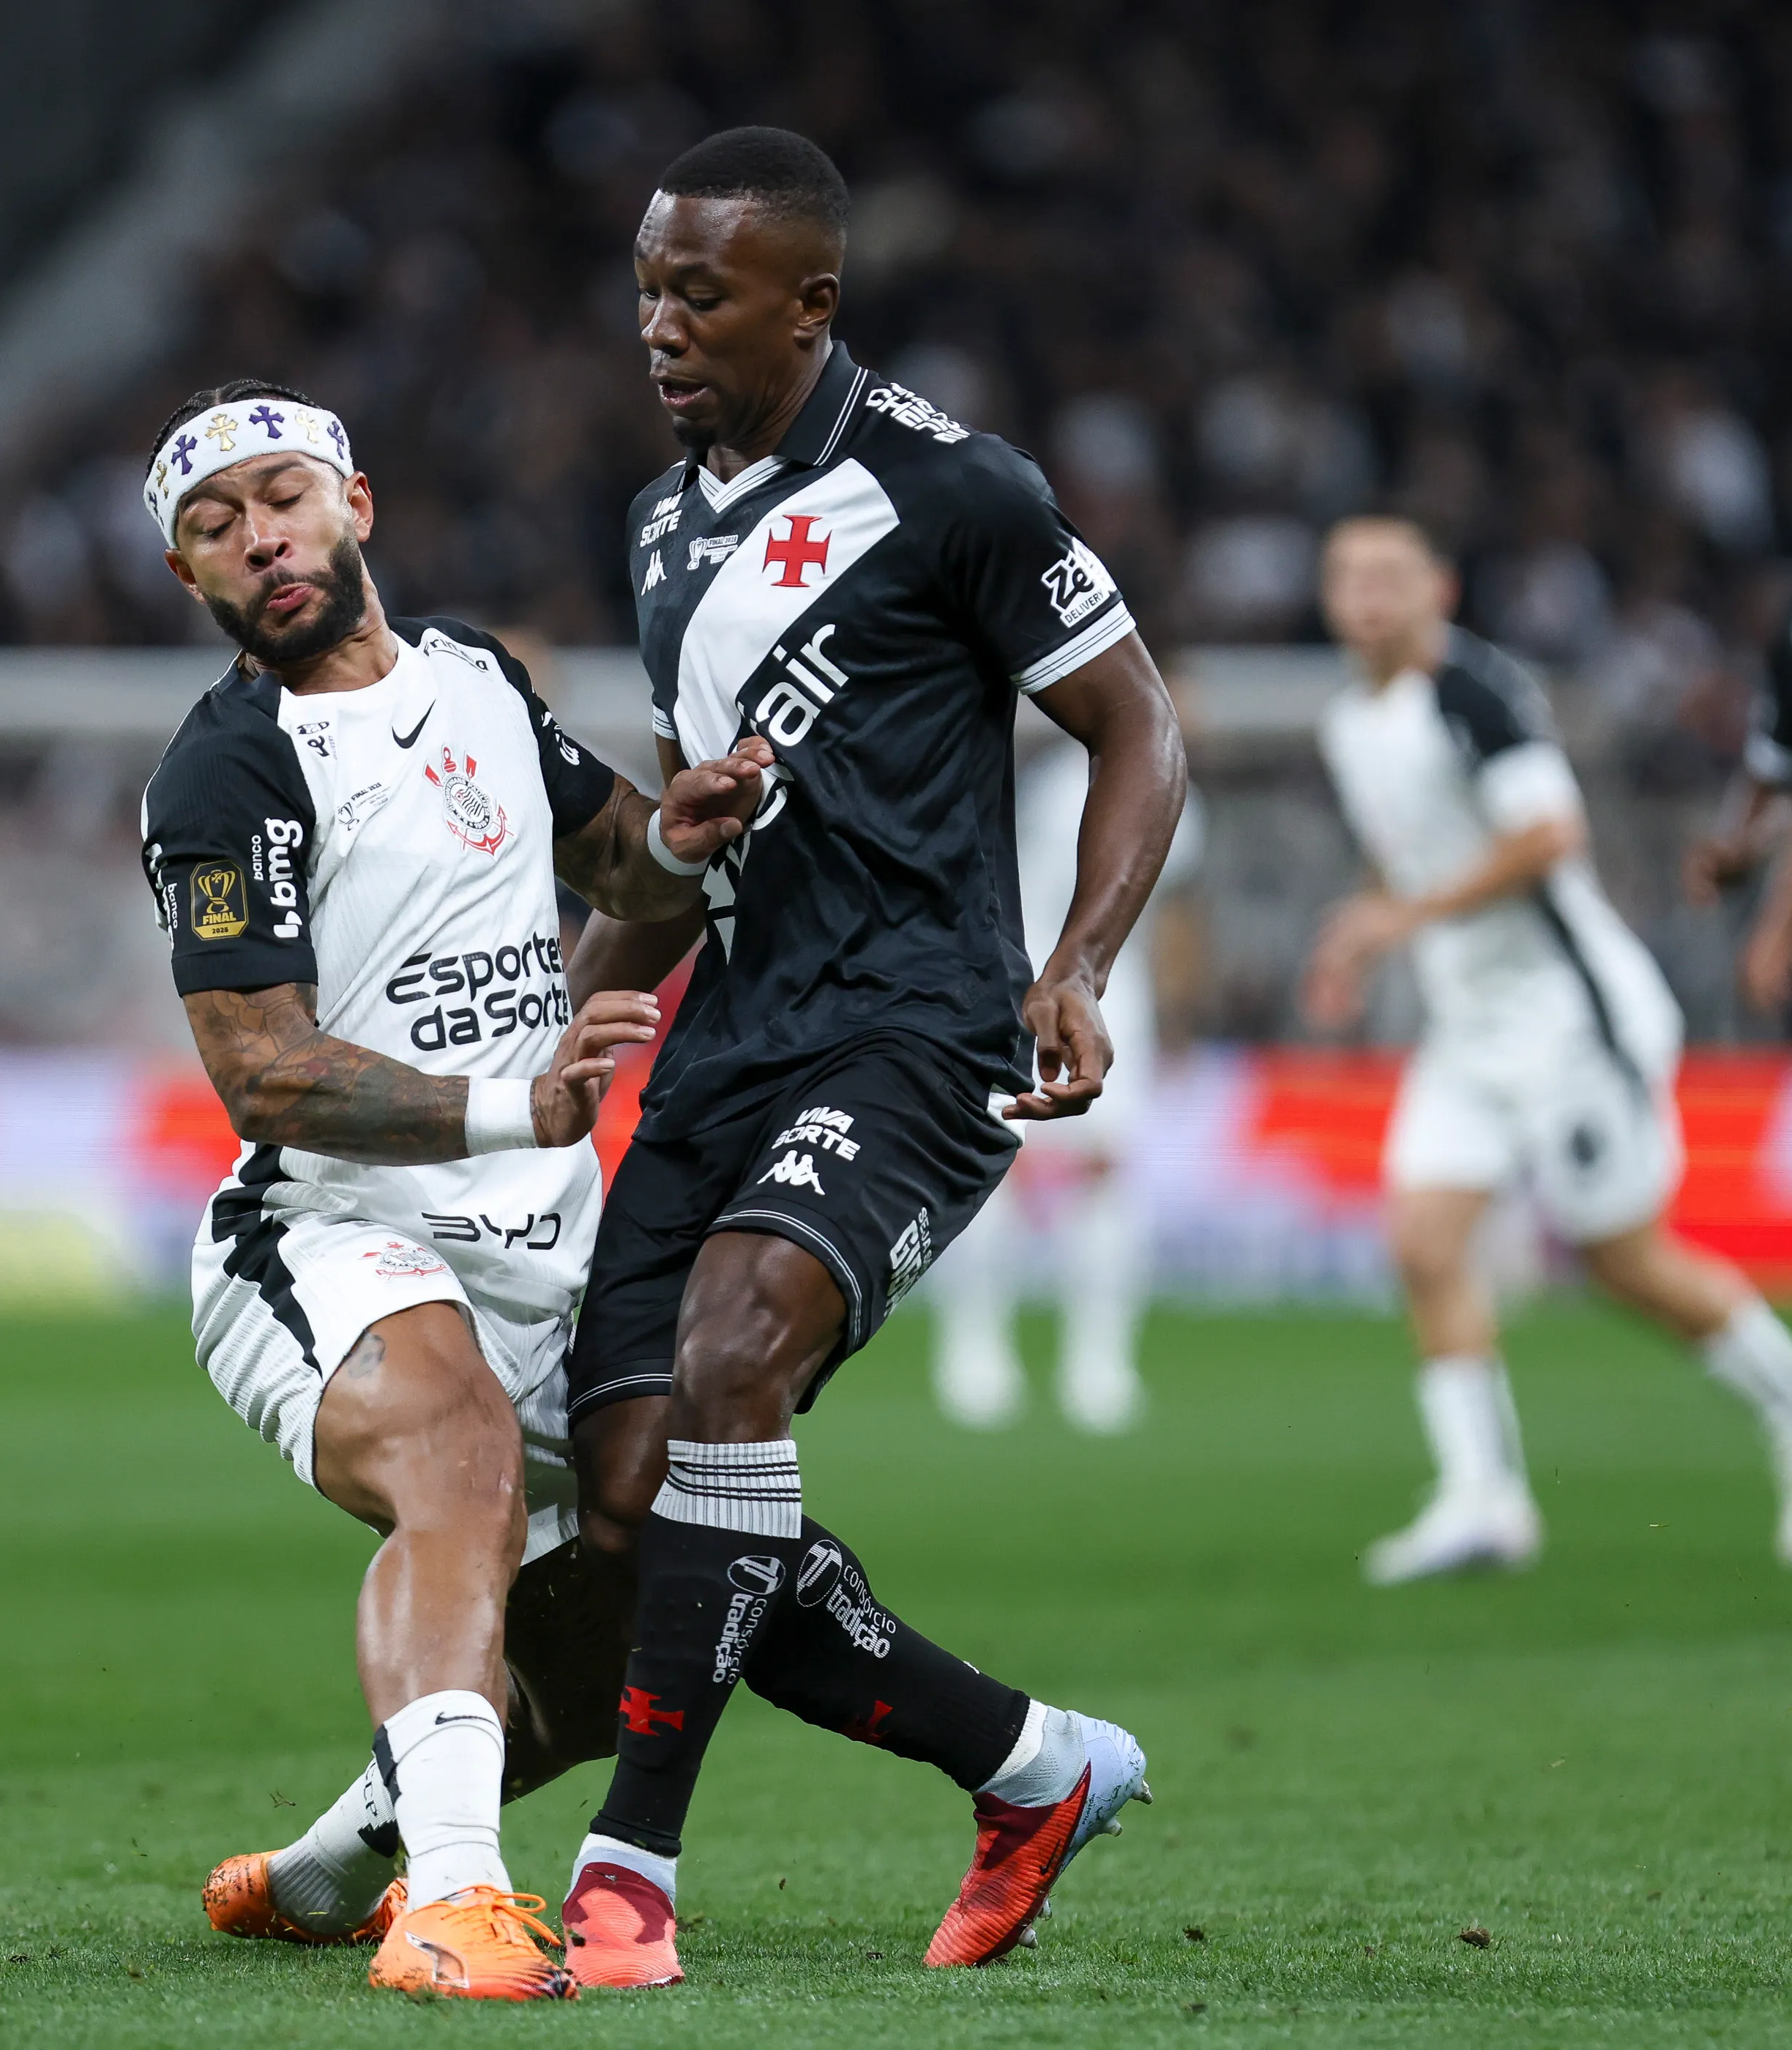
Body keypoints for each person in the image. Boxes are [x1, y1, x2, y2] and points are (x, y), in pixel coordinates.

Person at [540, 127, 1176, 1988]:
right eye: (648, 285)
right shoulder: (665, 524)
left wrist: (1079, 960)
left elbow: (1137, 724)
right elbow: (695, 846)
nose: (659, 324)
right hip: (730, 1032)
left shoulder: (950, 487)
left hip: (918, 1022)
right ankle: (1030, 1764)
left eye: (701, 293)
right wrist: (601, 994)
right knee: (640, 1502)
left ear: (810, 300)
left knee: (739, 1350)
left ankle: (628, 1875)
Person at [135, 379, 739, 1999]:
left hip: (542, 1240)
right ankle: (457, 1901)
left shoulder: (473, 673)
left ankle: (341, 1860)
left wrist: (689, 829)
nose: (258, 540)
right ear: (191, 579)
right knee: (459, 1456)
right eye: (213, 528)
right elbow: (262, 1069)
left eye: (281, 498)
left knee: (640, 1604)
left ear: (358, 506)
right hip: (327, 1232)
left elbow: (623, 864)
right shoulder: (227, 773)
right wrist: (512, 1096)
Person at [1302, 514, 1792, 1586]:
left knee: (1625, 1262)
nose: (1367, 595)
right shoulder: (1347, 722)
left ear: (1442, 590)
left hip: (1570, 1022)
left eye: (1390, 576)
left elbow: (1550, 835)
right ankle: (1485, 1500)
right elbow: (1408, 861)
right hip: (1470, 1032)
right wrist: (1361, 943)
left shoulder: (1474, 694)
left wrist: (1406, 918)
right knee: (1424, 1241)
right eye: (1347, 577)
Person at [931, 737, 1203, 1432]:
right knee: (1002, 1166)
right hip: (1018, 982)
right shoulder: (1051, 783)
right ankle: (979, 1348)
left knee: (1098, 1171)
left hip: (1110, 991)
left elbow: (1172, 914)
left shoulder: (1165, 783)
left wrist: (1174, 1013)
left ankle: (1094, 1360)